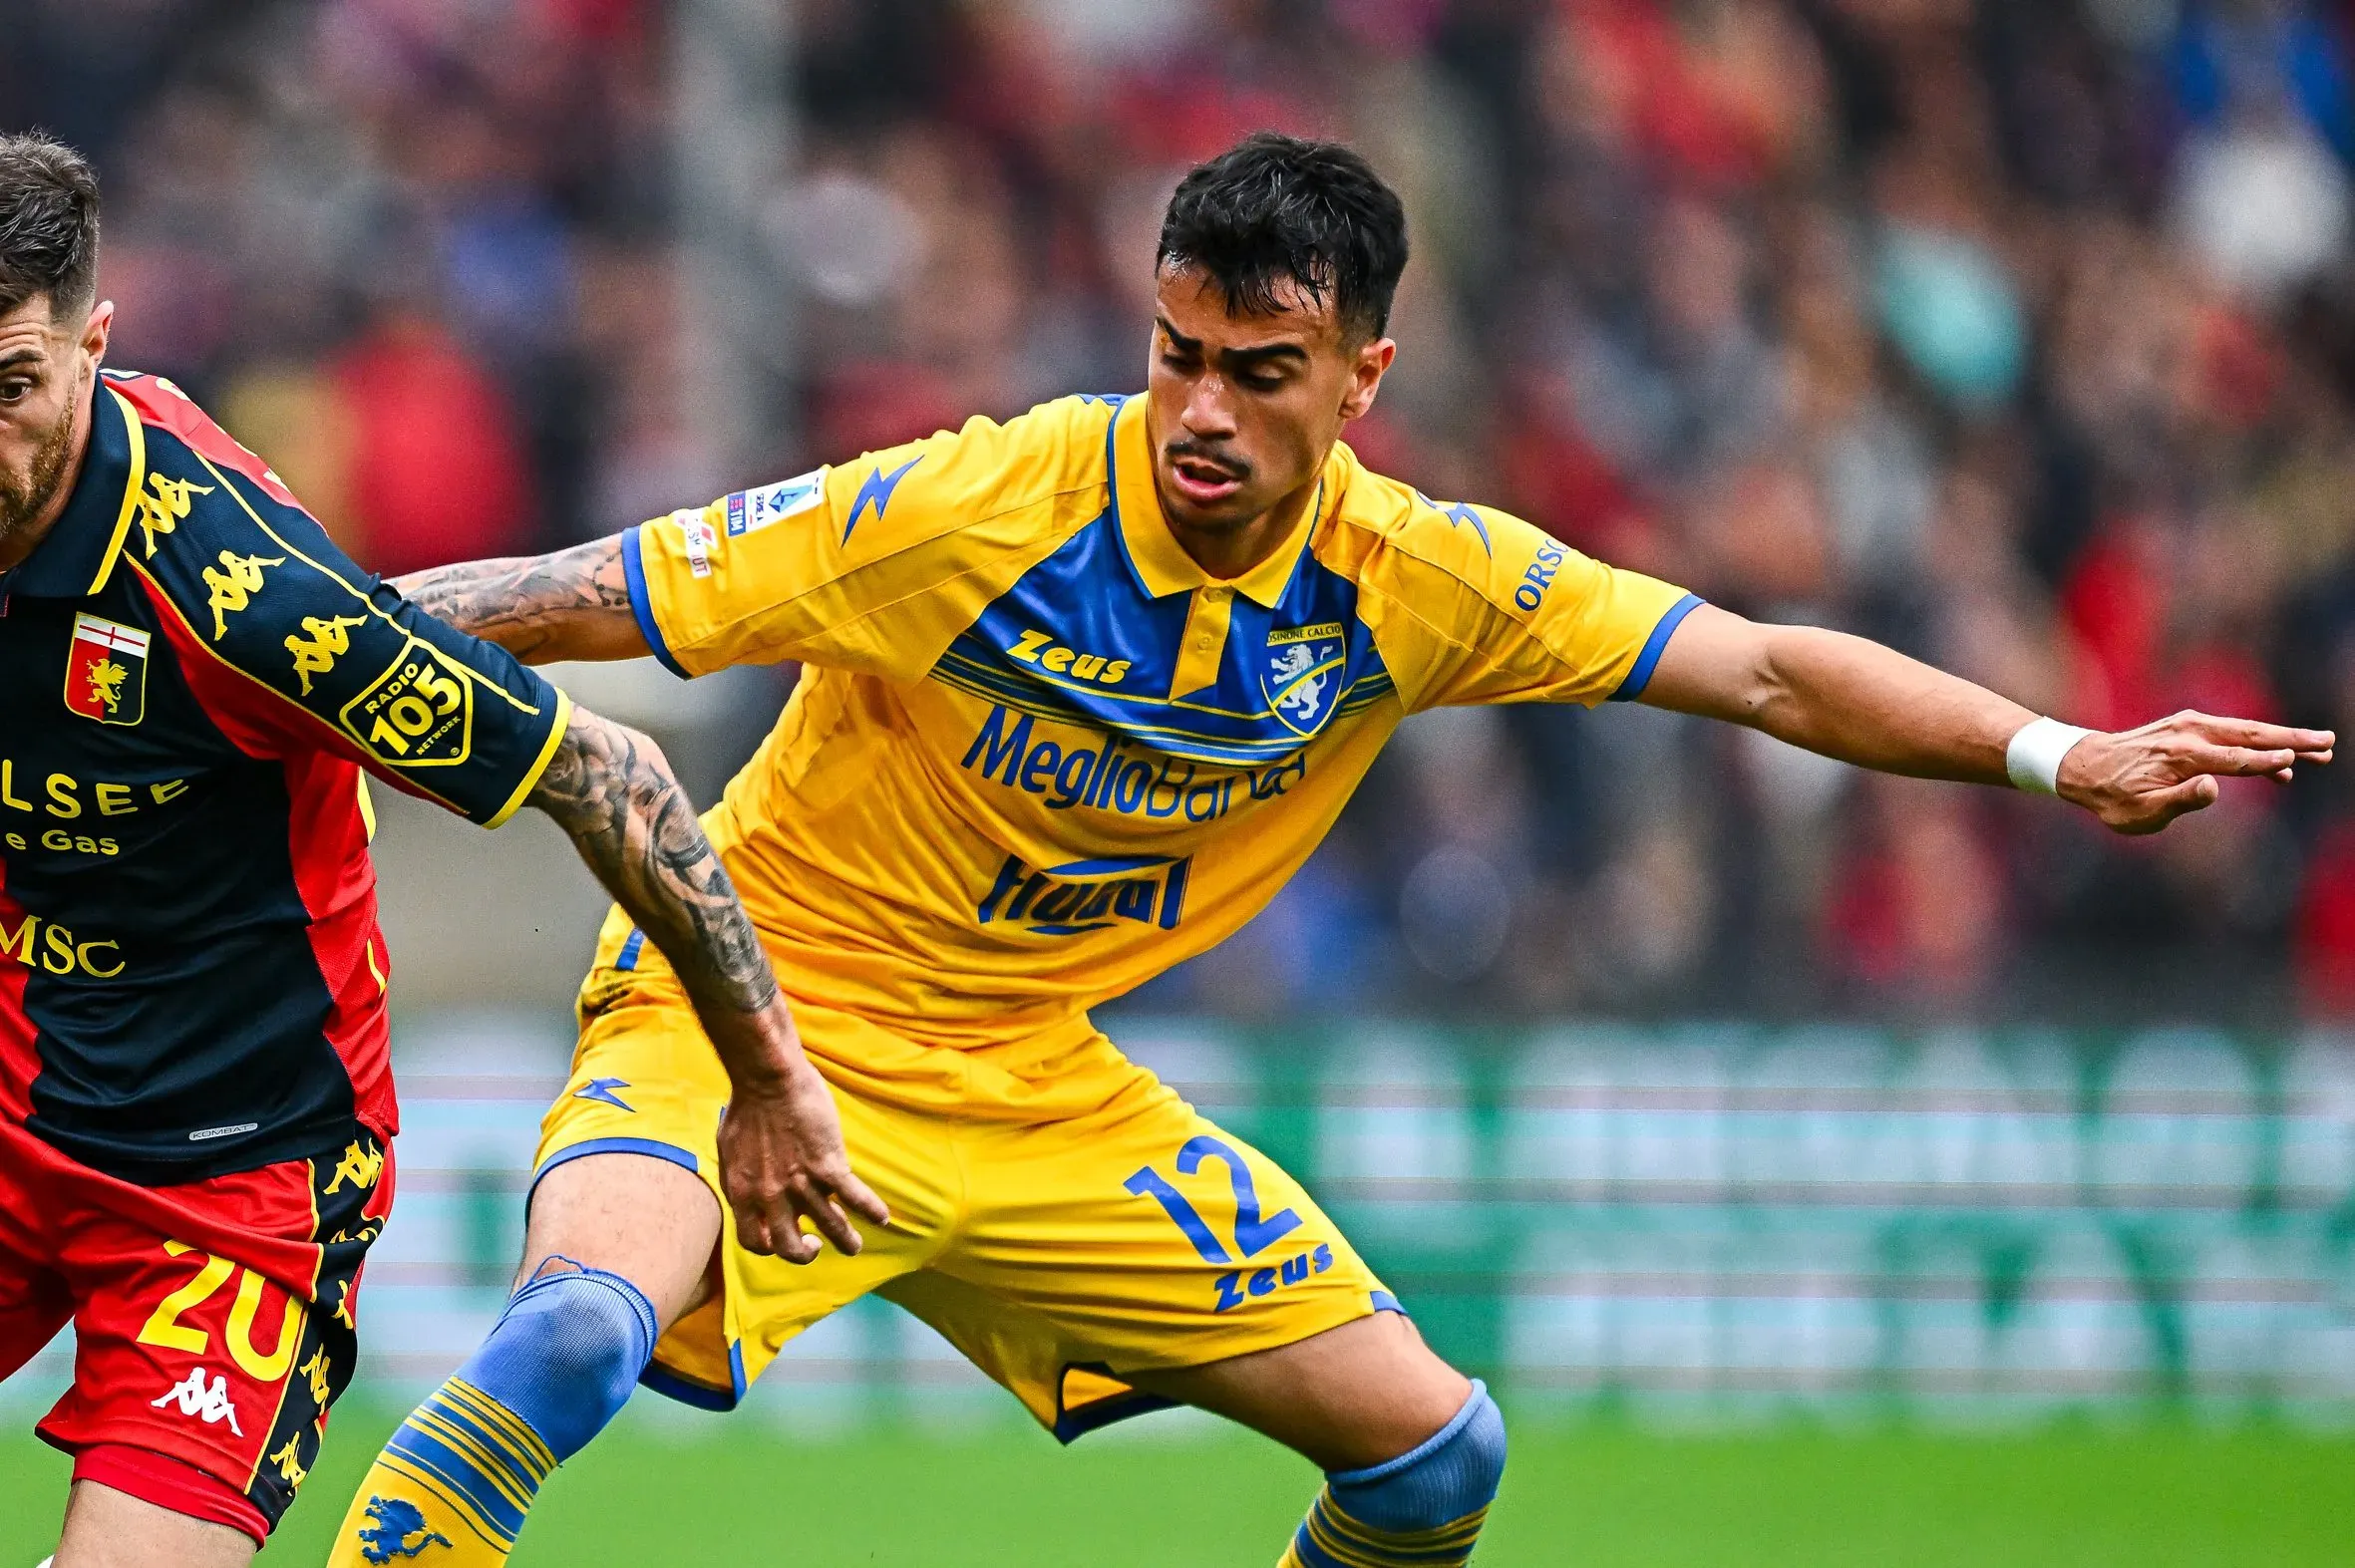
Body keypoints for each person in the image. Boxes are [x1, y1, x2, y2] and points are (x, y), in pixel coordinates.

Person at [330, 132, 2331, 1568]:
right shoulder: (971, 505)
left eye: (1256, 373)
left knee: (1434, 1461)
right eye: (1174, 353)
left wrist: (2052, 751)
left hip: (1037, 1094)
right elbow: (559, 597)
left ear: (1360, 381)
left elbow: (1768, 677)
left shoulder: (1417, 580)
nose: (1198, 409)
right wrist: (254, 620)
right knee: (580, 1327)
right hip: (746, 1017)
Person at [0, 134, 879, 1568]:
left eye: (10, 390)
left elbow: (611, 775)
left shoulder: (248, 599)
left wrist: (771, 1076)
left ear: (93, 347)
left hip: (233, 1187)